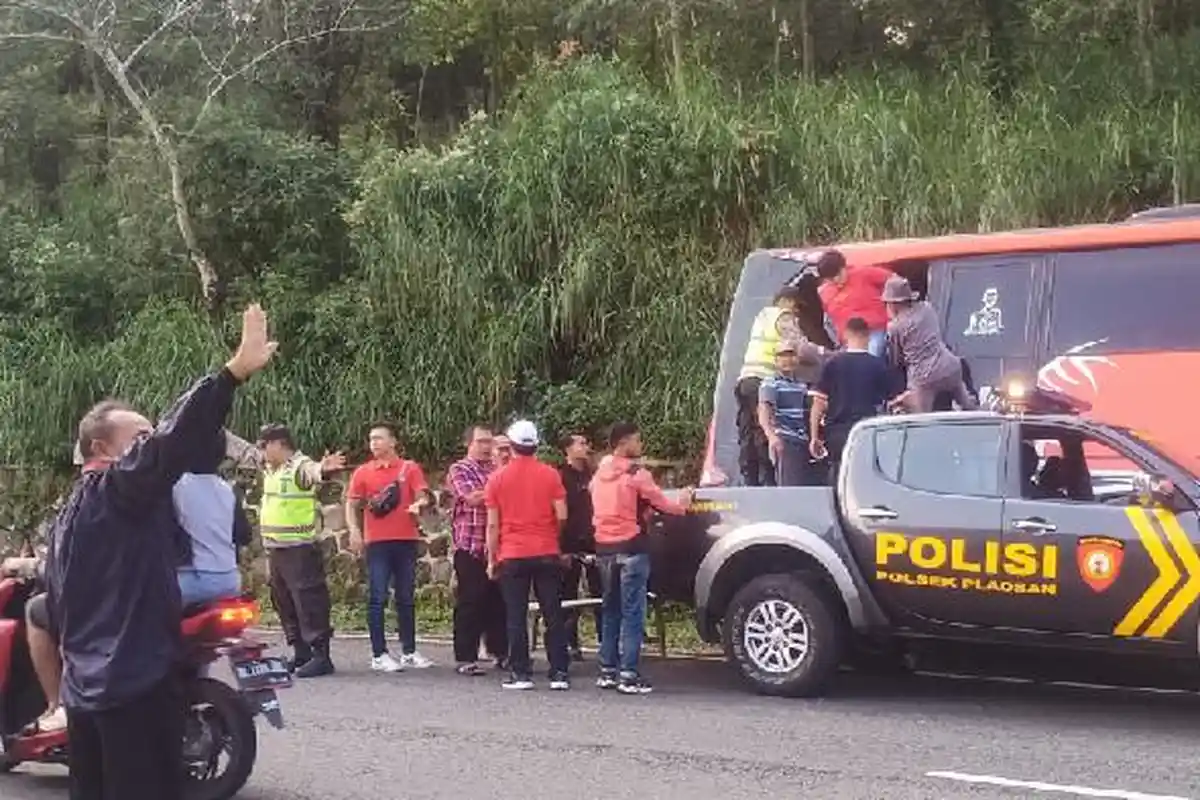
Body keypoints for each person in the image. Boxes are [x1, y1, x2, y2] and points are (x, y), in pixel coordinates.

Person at [44, 303, 275, 800]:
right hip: (132, 685)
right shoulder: (117, 493)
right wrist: (230, 375)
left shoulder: (72, 513)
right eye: (141, 438)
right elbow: (174, 440)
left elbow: (61, 604)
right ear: (104, 450)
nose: (152, 444)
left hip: (88, 690)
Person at [590, 422, 694, 695]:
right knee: (633, 613)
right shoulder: (637, 474)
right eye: (637, 440)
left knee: (610, 610)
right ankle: (629, 674)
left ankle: (607, 671)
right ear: (624, 443)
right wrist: (684, 500)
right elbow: (664, 505)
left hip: (604, 549)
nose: (641, 445)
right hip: (632, 548)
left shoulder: (598, 475)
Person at [484, 419, 570, 691]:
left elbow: (493, 524)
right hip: (546, 550)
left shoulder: (497, 478)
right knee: (552, 613)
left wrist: (491, 558)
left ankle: (520, 673)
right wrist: (552, 536)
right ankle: (559, 673)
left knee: (516, 615)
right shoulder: (551, 474)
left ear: (511, 445)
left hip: (512, 553)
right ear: (536, 445)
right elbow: (562, 515)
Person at [256, 424, 345, 678]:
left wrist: (324, 469)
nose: (262, 450)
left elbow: (313, 472)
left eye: (265, 445)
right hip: (276, 548)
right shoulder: (271, 468)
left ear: (279, 444)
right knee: (283, 600)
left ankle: (321, 655)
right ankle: (300, 651)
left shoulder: (299, 466)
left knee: (309, 600)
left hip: (299, 548)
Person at [346, 422, 435, 673]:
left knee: (406, 596)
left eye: (379, 438)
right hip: (377, 542)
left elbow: (423, 493)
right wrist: (354, 530)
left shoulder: (409, 468)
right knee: (377, 596)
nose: (374, 443)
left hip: (406, 539)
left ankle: (409, 650)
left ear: (393, 442)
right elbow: (351, 504)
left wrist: (420, 504)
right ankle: (379, 653)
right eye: (371, 438)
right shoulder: (363, 472)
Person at [735, 285, 820, 486]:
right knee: (765, 430)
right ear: (787, 301)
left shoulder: (763, 315)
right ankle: (769, 480)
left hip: (746, 378)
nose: (796, 311)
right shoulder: (784, 317)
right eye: (796, 306)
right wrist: (824, 355)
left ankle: (750, 480)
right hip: (764, 380)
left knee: (747, 432)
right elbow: (800, 347)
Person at [446, 425, 507, 675]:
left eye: (489, 442)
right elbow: (471, 497)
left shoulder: (496, 470)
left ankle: (500, 652)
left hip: (497, 545)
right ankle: (465, 657)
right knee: (471, 601)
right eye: (481, 441)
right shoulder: (460, 469)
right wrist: (501, 485)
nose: (486, 446)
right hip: (470, 544)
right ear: (469, 443)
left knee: (499, 602)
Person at [809, 316, 897, 480]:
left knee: (839, 475)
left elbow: (818, 404)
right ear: (868, 336)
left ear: (846, 335)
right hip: (867, 433)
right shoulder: (878, 365)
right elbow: (893, 405)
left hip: (836, 434)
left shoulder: (832, 364)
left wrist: (814, 437)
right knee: (864, 477)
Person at [881, 275, 978, 413]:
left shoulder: (895, 326)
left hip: (924, 379)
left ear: (893, 304)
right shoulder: (927, 308)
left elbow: (897, 359)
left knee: (921, 418)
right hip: (950, 367)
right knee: (968, 405)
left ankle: (899, 402)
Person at [557, 431, 602, 660]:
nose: (586, 447)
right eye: (581, 443)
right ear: (568, 449)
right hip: (569, 542)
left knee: (601, 592)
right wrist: (560, 547)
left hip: (594, 540)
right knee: (568, 595)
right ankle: (570, 643)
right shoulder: (560, 476)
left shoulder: (593, 475)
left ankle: (605, 642)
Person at [758, 342, 824, 487]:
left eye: (791, 355)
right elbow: (763, 411)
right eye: (782, 356)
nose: (787, 359)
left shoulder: (801, 385)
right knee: (789, 487)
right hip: (785, 441)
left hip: (802, 441)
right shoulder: (771, 383)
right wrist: (772, 436)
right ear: (776, 360)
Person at [815, 249, 892, 356]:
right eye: (831, 279)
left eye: (838, 275)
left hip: (872, 331)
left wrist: (891, 308)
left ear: (844, 268)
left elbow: (894, 281)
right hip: (848, 339)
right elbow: (828, 321)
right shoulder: (824, 292)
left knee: (871, 354)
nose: (836, 280)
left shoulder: (863, 273)